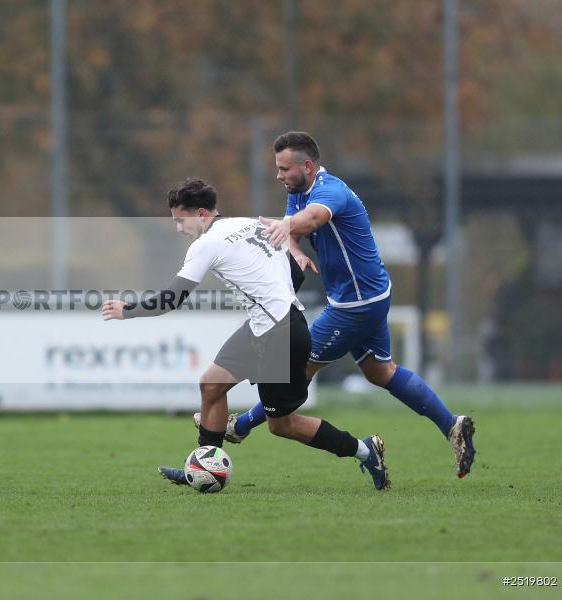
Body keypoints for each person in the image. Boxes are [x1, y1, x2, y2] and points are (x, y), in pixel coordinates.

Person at [102, 177, 390, 491]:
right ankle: (203, 466)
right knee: (211, 385)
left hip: (280, 336)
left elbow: (172, 299)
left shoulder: (206, 244)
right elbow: (295, 274)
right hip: (267, 327)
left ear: (200, 214)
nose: (178, 228)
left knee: (283, 425)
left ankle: (364, 450)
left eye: (179, 220)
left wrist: (127, 310)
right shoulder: (252, 224)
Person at [222, 131, 475, 478]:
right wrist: (294, 249)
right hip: (369, 295)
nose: (278, 175)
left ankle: (239, 427)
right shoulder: (297, 192)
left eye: (284, 169)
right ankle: (452, 425)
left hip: (354, 304)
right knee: (379, 371)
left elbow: (310, 221)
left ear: (307, 166)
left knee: (297, 370)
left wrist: (284, 226)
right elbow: (294, 232)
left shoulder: (330, 192)